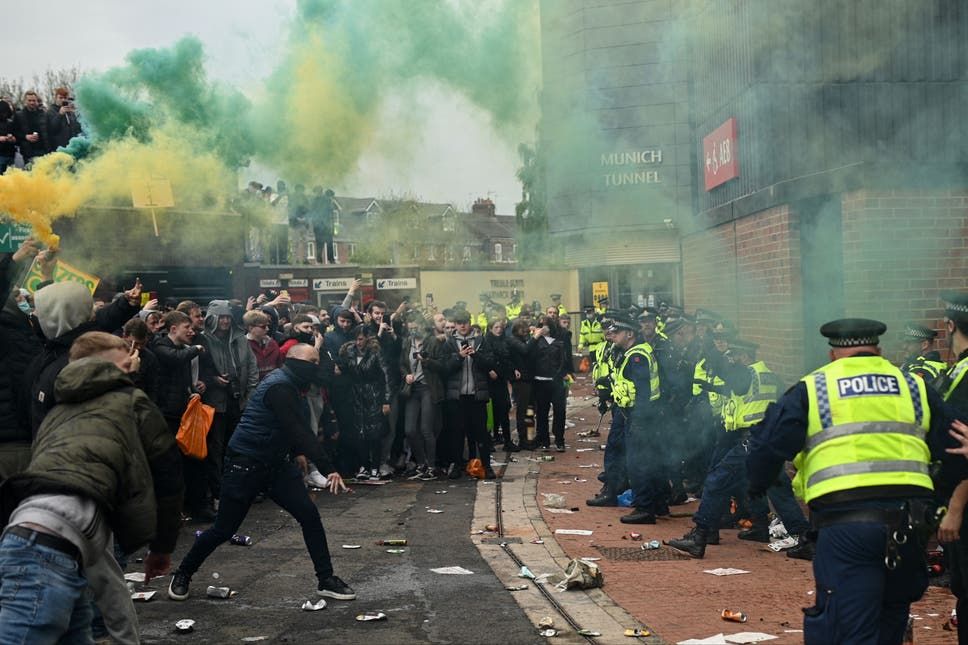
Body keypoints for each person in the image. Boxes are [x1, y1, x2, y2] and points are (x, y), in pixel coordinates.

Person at [745, 318, 968, 644]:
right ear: (878, 350)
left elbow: (764, 448)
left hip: (846, 529)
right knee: (890, 621)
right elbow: (958, 452)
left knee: (848, 629)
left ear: (834, 354)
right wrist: (935, 502)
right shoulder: (914, 387)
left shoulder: (815, 387)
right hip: (908, 528)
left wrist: (756, 487)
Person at [0, 332, 183, 643]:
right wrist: (162, 548)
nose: (134, 362)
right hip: (48, 546)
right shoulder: (131, 401)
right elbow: (168, 475)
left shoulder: (58, 412)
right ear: (108, 367)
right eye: (126, 359)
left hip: (33, 538)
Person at [168, 344, 354, 602]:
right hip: (246, 463)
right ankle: (183, 573)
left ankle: (326, 579)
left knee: (309, 516)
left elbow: (290, 428)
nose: (317, 366)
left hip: (275, 464)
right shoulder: (280, 387)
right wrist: (328, 468)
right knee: (224, 528)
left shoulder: (293, 383)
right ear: (295, 361)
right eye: (312, 361)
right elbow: (298, 429)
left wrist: (298, 454)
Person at [667, 338, 810, 555]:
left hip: (750, 440)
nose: (731, 360)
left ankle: (700, 536)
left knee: (716, 481)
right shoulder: (769, 375)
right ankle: (788, 533)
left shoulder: (747, 373)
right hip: (767, 441)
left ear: (744, 356)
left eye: (734, 356)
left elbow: (737, 384)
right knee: (774, 488)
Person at [442, 311, 496, 479]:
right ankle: (457, 465)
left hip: (476, 395)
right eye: (459, 323)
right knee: (457, 432)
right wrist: (459, 357)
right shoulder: (449, 343)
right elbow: (444, 368)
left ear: (470, 322)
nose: (462, 325)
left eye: (465, 322)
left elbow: (490, 363)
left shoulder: (481, 341)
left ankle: (486, 466)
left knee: (481, 433)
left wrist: (475, 355)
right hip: (457, 396)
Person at [338, 326, 391, 481]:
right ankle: (363, 466)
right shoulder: (349, 352)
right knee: (359, 432)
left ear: (367, 338)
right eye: (356, 339)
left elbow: (386, 376)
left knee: (374, 432)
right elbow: (346, 369)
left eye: (360, 339)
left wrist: (386, 400)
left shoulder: (376, 352)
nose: (358, 342)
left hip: (374, 394)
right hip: (356, 396)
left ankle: (375, 467)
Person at [244, 309, 283, 381]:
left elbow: (280, 366)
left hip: (273, 385)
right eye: (263, 327)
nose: (267, 329)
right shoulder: (242, 346)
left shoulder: (272, 344)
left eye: (267, 326)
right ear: (251, 328)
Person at [12, 91, 48, 165]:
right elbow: (14, 132)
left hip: (43, 150)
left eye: (34, 100)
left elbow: (48, 131)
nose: (32, 103)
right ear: (25, 101)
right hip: (28, 152)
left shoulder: (43, 114)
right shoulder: (19, 115)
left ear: (37, 101)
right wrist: (25, 137)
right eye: (29, 100)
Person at [0, 100, 16, 174]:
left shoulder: (10, 123)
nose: (4, 114)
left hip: (10, 154)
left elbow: (16, 137)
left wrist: (12, 139)